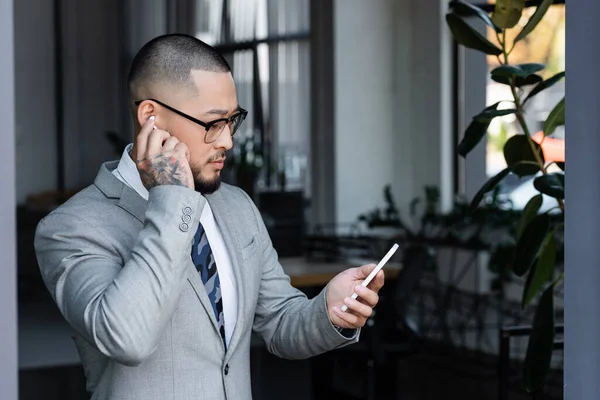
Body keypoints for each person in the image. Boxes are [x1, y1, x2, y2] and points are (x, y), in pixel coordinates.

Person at [34, 33, 385, 400]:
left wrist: (329, 311)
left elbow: (281, 322)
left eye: (233, 121)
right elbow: (126, 339)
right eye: (213, 123)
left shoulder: (237, 206)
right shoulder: (70, 228)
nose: (228, 142)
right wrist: (172, 197)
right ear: (150, 117)